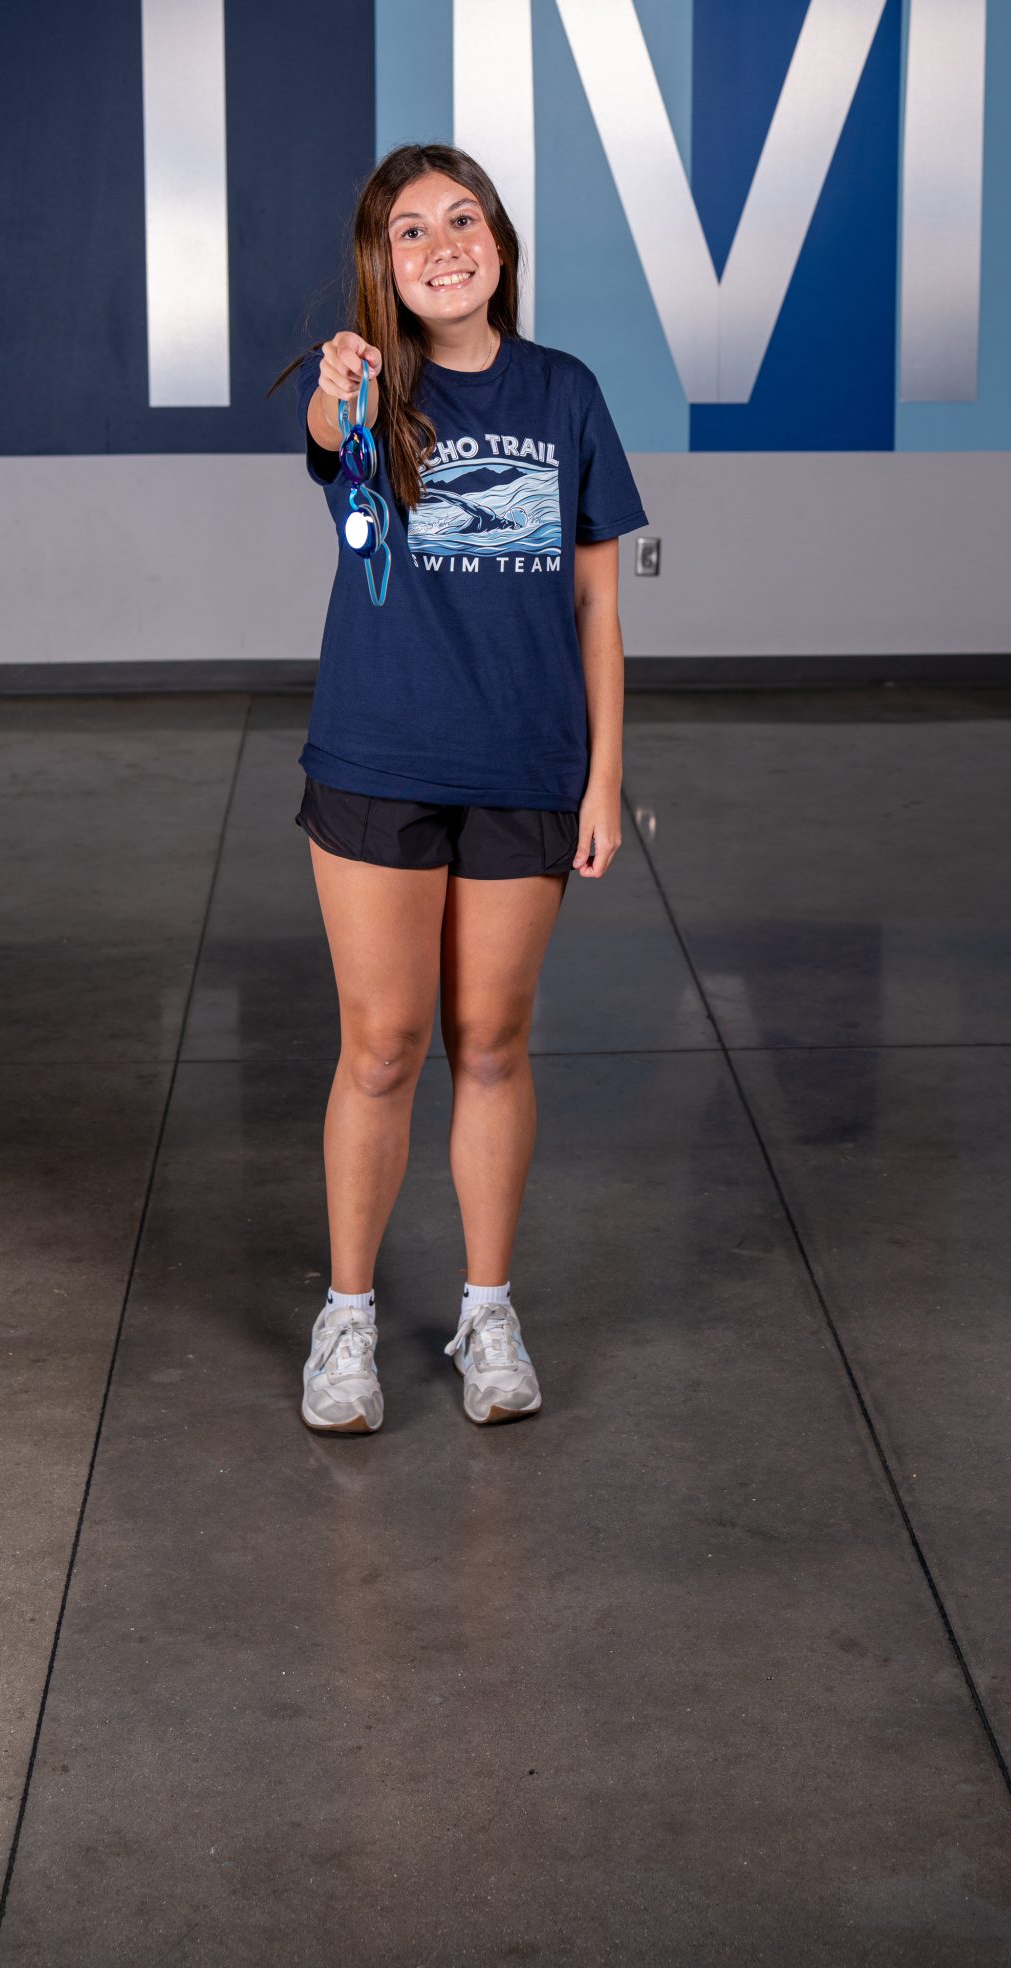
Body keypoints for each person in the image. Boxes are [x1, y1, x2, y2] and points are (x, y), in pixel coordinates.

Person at [273, 143, 647, 1436]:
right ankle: (348, 1318)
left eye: (464, 218)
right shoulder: (365, 387)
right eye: (411, 230)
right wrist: (340, 386)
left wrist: (603, 776)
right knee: (382, 1048)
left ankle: (489, 1311)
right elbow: (328, 437)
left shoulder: (565, 392)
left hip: (525, 767)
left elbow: (598, 604)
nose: (443, 246)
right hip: (378, 759)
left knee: (490, 1042)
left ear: (500, 244)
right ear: (381, 265)